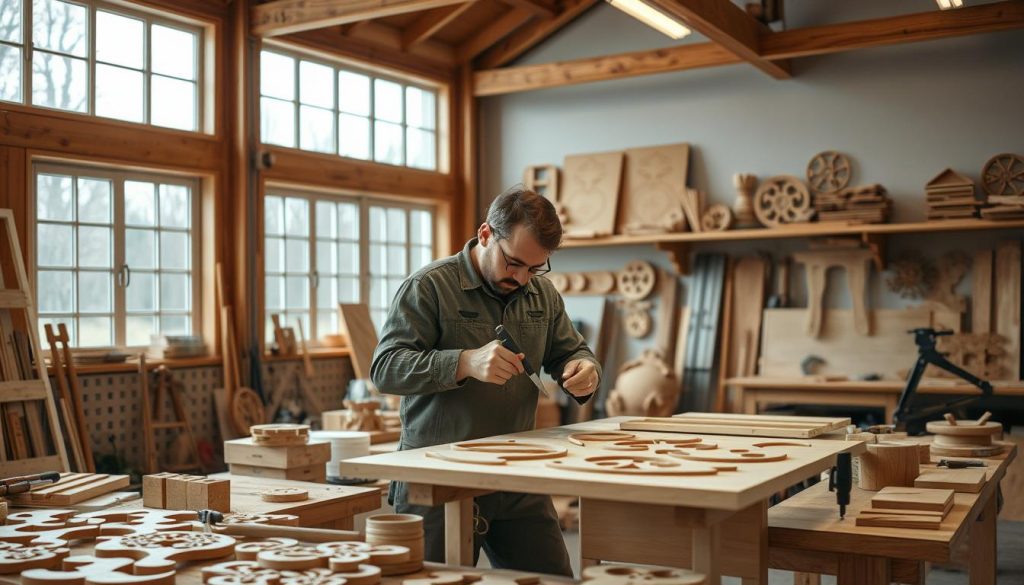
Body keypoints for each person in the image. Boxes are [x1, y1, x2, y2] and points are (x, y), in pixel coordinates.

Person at [370, 186, 601, 576]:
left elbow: (571, 352)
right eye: (513, 264)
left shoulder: (541, 293)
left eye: (535, 268)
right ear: (485, 235)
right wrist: (463, 362)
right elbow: (386, 368)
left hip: (517, 472)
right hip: (437, 476)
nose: (523, 278)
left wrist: (584, 369)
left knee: (552, 580)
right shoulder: (429, 287)